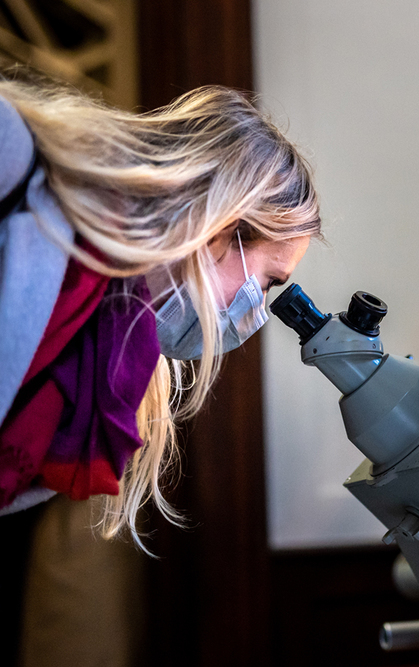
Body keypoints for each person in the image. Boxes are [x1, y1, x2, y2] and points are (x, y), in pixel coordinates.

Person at [0, 76, 321, 550]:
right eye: (269, 282)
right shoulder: (10, 157)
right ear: (222, 226)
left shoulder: (103, 359)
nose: (254, 310)